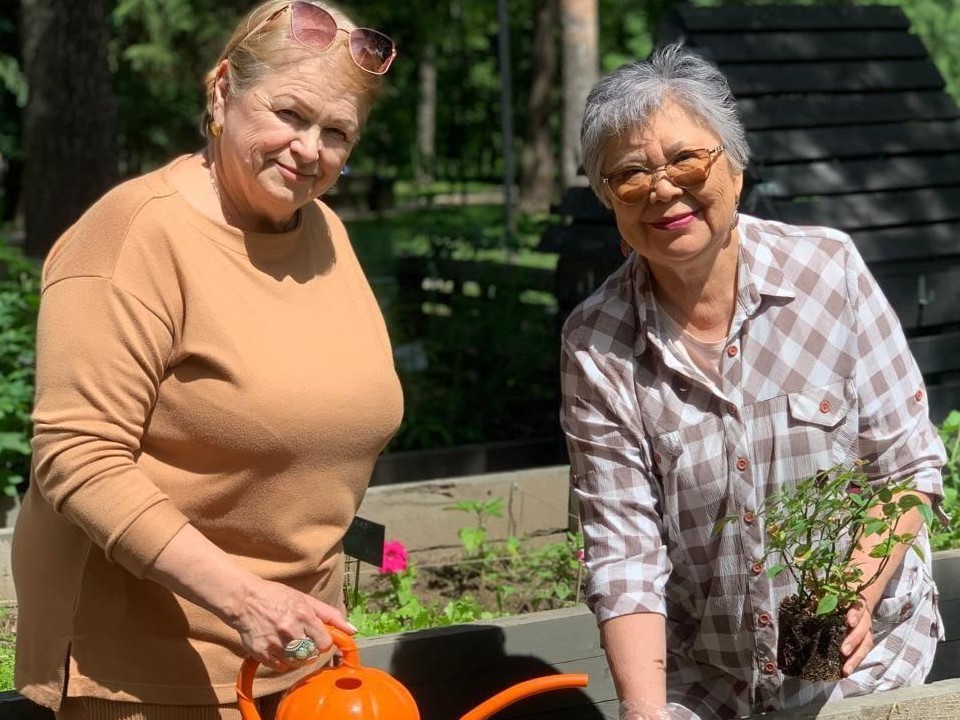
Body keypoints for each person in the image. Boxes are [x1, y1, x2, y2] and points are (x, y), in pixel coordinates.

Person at [12, 2, 401, 718]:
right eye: (289, 112)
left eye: (337, 132)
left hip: (297, 649)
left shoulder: (324, 231)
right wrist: (243, 598)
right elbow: (77, 454)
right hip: (145, 670)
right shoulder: (132, 238)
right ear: (223, 92)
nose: (309, 149)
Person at [560, 44, 946, 720]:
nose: (662, 188)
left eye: (687, 158)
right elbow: (623, 552)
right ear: (609, 201)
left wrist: (848, 598)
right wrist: (645, 712)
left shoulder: (829, 274)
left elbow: (907, 468)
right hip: (710, 684)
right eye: (629, 174)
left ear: (735, 170)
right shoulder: (597, 344)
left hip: (868, 670)